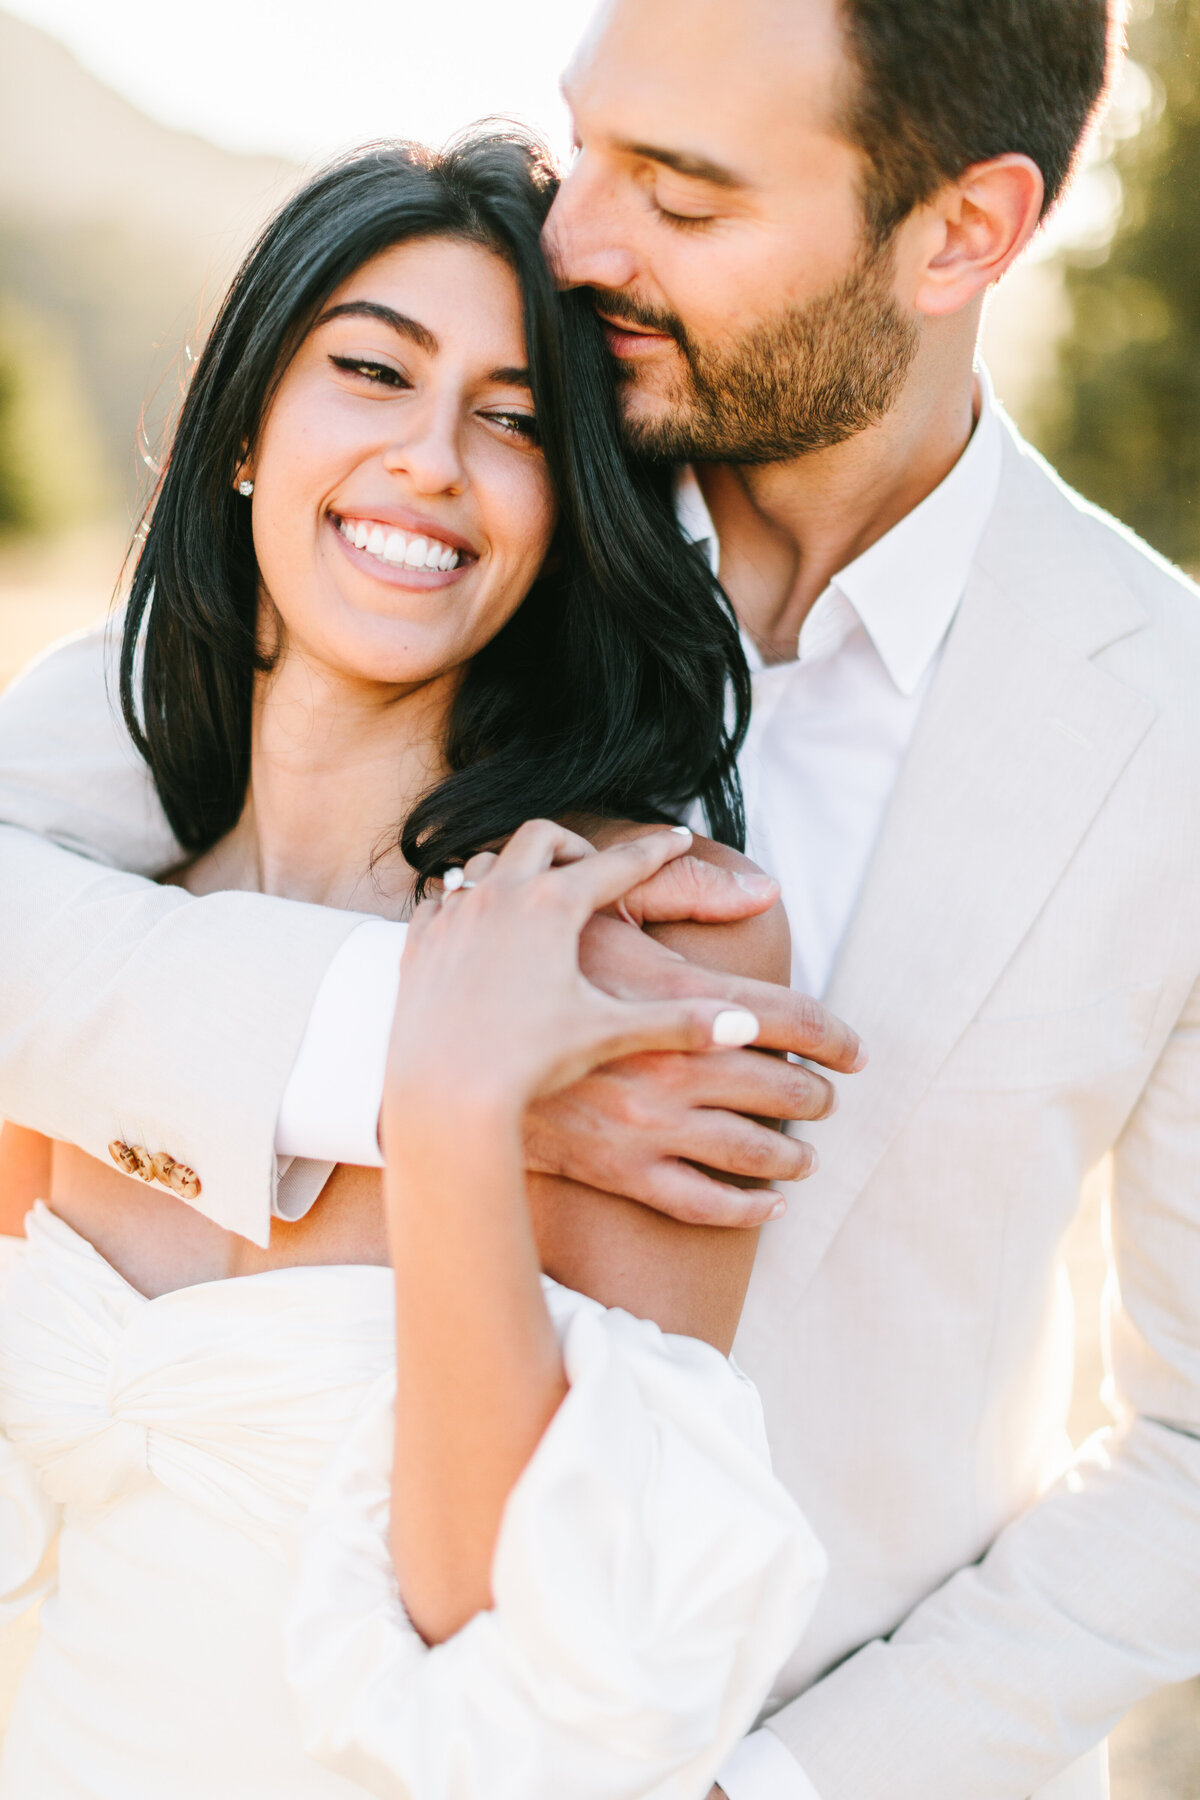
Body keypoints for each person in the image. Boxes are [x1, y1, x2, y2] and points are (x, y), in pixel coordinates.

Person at [2, 0, 1198, 1795]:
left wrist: (790, 1785)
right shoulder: (445, 521)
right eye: (592, 141)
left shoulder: (1165, 731)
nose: (576, 238)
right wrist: (425, 1058)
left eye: (683, 195)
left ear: (965, 232)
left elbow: (1183, 1450)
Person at [0, 134, 828, 1798]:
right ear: (245, 433)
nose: (430, 459)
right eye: (370, 370)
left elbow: (529, 1670)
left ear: (569, 506)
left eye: (514, 420)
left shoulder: (644, 938)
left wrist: (456, 1120)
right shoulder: (90, 914)